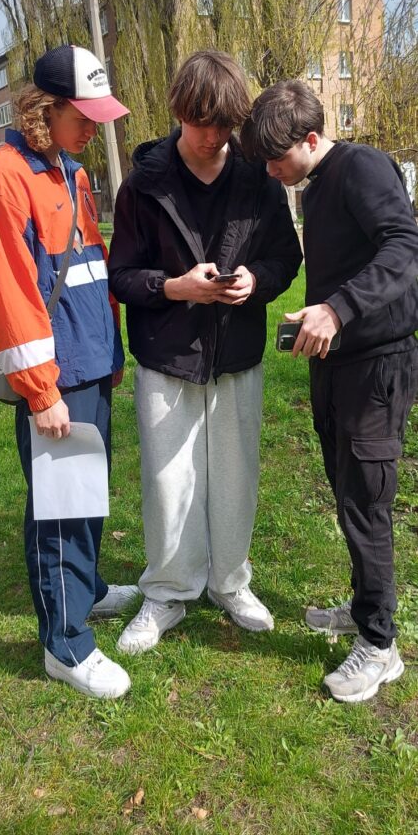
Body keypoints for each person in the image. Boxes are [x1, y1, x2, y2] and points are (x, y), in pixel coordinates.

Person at [108, 49, 302, 654]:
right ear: (179, 112)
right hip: (166, 355)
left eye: (223, 126)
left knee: (236, 476)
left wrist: (256, 282)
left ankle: (229, 582)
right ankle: (168, 590)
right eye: (201, 124)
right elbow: (122, 275)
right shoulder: (144, 184)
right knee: (169, 482)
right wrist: (174, 287)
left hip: (236, 351)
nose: (213, 137)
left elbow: (285, 256)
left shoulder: (256, 178)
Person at [0, 44, 139, 699]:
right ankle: (66, 646)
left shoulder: (72, 171)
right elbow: (9, 297)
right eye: (84, 116)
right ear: (45, 110)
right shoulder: (4, 179)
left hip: (89, 364)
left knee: (88, 491)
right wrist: (42, 393)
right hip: (55, 379)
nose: (95, 127)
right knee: (61, 510)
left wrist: (110, 351)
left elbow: (91, 268)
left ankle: (85, 590)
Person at [240, 80, 418, 703]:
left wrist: (338, 309)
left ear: (311, 138)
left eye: (276, 159)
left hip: (376, 367)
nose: (271, 171)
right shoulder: (316, 185)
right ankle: (367, 605)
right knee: (347, 494)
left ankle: (380, 646)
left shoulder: (361, 167)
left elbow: (405, 247)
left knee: (367, 501)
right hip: (335, 365)